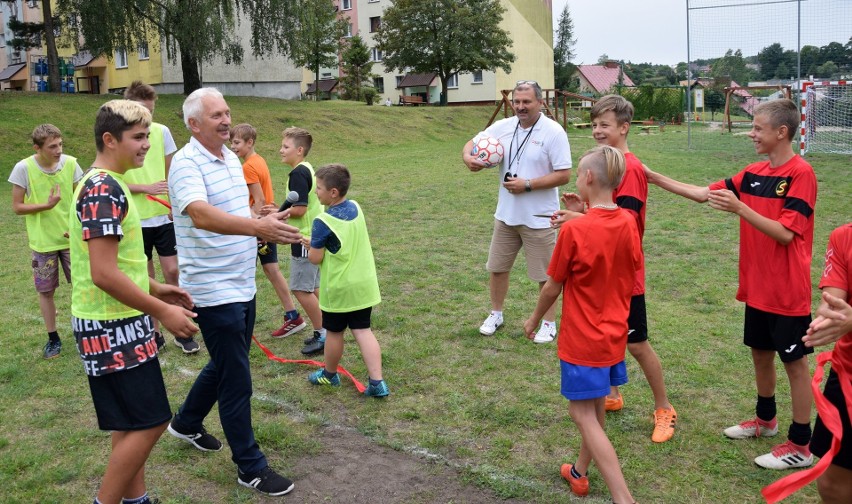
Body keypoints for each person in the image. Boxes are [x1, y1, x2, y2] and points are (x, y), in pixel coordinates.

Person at [645, 99, 816, 469]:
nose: (751, 134)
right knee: (760, 353)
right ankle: (765, 421)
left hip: (787, 291)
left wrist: (741, 208)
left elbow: (786, 234)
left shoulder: (801, 174)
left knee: (795, 363)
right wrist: (654, 177)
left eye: (757, 128)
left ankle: (801, 445)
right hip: (757, 288)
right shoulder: (753, 173)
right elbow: (704, 193)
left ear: (781, 132)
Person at [166, 88, 301, 496]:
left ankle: (185, 422)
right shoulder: (186, 163)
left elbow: (228, 209)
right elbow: (201, 214)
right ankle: (250, 467)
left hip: (241, 281)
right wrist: (256, 228)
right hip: (212, 288)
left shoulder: (228, 157)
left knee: (229, 362)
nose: (226, 121)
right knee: (237, 378)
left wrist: (254, 214)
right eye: (216, 116)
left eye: (227, 113)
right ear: (194, 124)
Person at [70, 99, 199, 504]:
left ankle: (136, 499)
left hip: (121, 317)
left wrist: (158, 289)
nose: (147, 145)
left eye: (148, 135)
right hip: (110, 324)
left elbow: (119, 264)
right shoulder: (102, 187)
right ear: (110, 139)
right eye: (139, 136)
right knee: (152, 420)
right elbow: (103, 273)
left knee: (131, 423)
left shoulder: (109, 182)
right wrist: (161, 310)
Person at [554, 95, 676, 443]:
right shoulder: (608, 165)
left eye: (604, 125)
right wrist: (584, 208)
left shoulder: (631, 169)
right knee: (605, 334)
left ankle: (664, 408)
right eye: (593, 124)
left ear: (624, 128)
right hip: (604, 275)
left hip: (624, 278)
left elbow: (627, 229)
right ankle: (611, 393)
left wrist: (580, 218)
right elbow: (606, 213)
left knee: (636, 344)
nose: (597, 131)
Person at [525, 146, 640, 502]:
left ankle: (623, 497)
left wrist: (532, 320)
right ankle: (579, 472)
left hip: (582, 338)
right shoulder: (628, 222)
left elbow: (552, 287)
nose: (576, 179)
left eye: (578, 173)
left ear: (589, 178)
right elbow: (625, 260)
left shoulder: (574, 232)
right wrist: (585, 215)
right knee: (593, 407)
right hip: (613, 334)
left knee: (581, 413)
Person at [462, 80, 572, 342]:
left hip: (540, 218)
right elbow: (471, 143)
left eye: (527, 102)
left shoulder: (553, 132)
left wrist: (528, 185)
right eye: (517, 102)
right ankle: (496, 314)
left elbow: (564, 174)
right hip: (506, 215)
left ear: (540, 102)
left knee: (545, 276)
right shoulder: (503, 126)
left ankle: (548, 323)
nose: (520, 107)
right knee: (497, 268)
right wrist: (468, 158)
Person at [762, 223, 852, 503]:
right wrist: (829, 316)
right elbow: (833, 301)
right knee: (833, 482)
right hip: (847, 375)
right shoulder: (844, 236)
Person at [123, 80, 199, 354]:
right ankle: (153, 332)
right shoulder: (121, 136)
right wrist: (143, 188)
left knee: (173, 271)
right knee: (146, 276)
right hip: (134, 219)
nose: (148, 116)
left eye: (151, 110)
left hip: (164, 217)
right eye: (143, 109)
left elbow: (172, 173)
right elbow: (112, 179)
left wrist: (174, 203)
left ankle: (182, 329)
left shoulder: (162, 132)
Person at [304, 164, 389, 398]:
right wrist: (318, 242)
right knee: (363, 330)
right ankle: (377, 382)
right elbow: (342, 241)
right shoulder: (356, 207)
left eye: (319, 188)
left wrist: (312, 245)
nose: (315, 192)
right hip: (363, 284)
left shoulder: (322, 221)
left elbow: (315, 258)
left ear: (333, 192)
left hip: (339, 289)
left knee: (334, 332)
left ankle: (329, 375)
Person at [8, 123, 83, 359]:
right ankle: (53, 339)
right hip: (43, 244)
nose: (59, 150)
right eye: (52, 146)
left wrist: (80, 226)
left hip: (72, 240)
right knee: (46, 292)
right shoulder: (23, 168)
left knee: (82, 287)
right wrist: (46, 206)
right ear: (37, 148)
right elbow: (17, 207)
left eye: (60, 144)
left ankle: (85, 333)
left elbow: (82, 198)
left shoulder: (71, 164)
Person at [230, 123, 307, 338]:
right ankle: (292, 315)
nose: (233, 147)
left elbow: (260, 200)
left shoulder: (247, 167)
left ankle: (239, 322)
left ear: (249, 142)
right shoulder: (259, 160)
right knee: (272, 270)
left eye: (237, 143)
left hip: (261, 226)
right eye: (231, 143)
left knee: (248, 272)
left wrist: (258, 230)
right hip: (266, 223)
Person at [279, 126, 326, 355]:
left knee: (300, 289)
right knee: (314, 287)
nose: (280, 150)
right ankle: (328, 329)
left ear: (299, 150)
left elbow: (299, 209)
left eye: (285, 147)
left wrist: (279, 216)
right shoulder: (306, 168)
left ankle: (323, 334)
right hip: (313, 235)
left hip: (304, 239)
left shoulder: (298, 172)